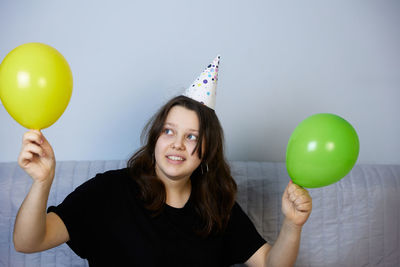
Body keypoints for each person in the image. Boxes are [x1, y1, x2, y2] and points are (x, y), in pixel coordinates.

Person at [13, 56, 312, 267]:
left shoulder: (217, 205)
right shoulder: (109, 191)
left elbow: (272, 265)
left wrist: (293, 224)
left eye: (192, 137)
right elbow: (28, 242)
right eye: (169, 131)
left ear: (207, 151)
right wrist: (42, 182)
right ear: (156, 137)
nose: (178, 144)